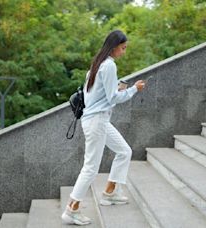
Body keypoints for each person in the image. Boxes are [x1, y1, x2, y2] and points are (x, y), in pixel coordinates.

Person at [61, 30, 146, 225]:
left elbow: (97, 95)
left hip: (98, 120)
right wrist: (134, 89)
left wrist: (117, 88)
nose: (124, 52)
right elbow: (112, 98)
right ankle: (71, 209)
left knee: (124, 151)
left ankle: (110, 192)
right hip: (96, 121)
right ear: (114, 46)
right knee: (90, 168)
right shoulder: (109, 66)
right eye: (123, 48)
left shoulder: (96, 66)